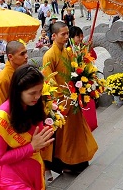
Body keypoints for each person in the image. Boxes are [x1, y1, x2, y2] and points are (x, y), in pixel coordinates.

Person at [42, 21, 98, 173]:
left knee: (76, 132)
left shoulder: (67, 52)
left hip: (72, 97)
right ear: (53, 36)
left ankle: (79, 160)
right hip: (62, 100)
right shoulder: (49, 55)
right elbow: (49, 80)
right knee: (66, 135)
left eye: (67, 33)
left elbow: (75, 69)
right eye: (63, 34)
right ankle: (67, 163)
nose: (67, 37)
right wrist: (62, 98)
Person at [0, 41, 29, 111]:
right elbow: (0, 109)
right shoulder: (3, 79)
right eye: (22, 54)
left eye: (26, 52)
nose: (26, 56)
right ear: (10, 57)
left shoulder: (23, 71)